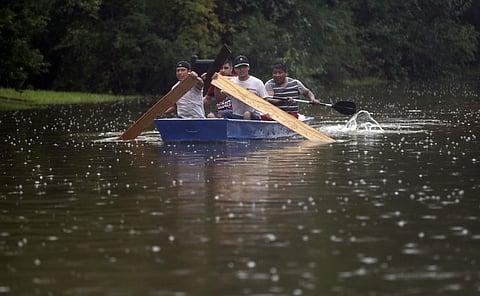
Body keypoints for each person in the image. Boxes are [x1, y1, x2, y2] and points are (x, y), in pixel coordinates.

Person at [214, 55, 269, 120]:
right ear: (235, 69)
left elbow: (265, 101)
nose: (242, 69)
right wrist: (217, 84)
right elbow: (220, 98)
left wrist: (265, 112)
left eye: (244, 67)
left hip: (253, 114)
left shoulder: (257, 82)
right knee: (216, 115)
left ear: (248, 67)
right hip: (236, 114)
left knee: (247, 114)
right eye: (239, 67)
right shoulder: (232, 82)